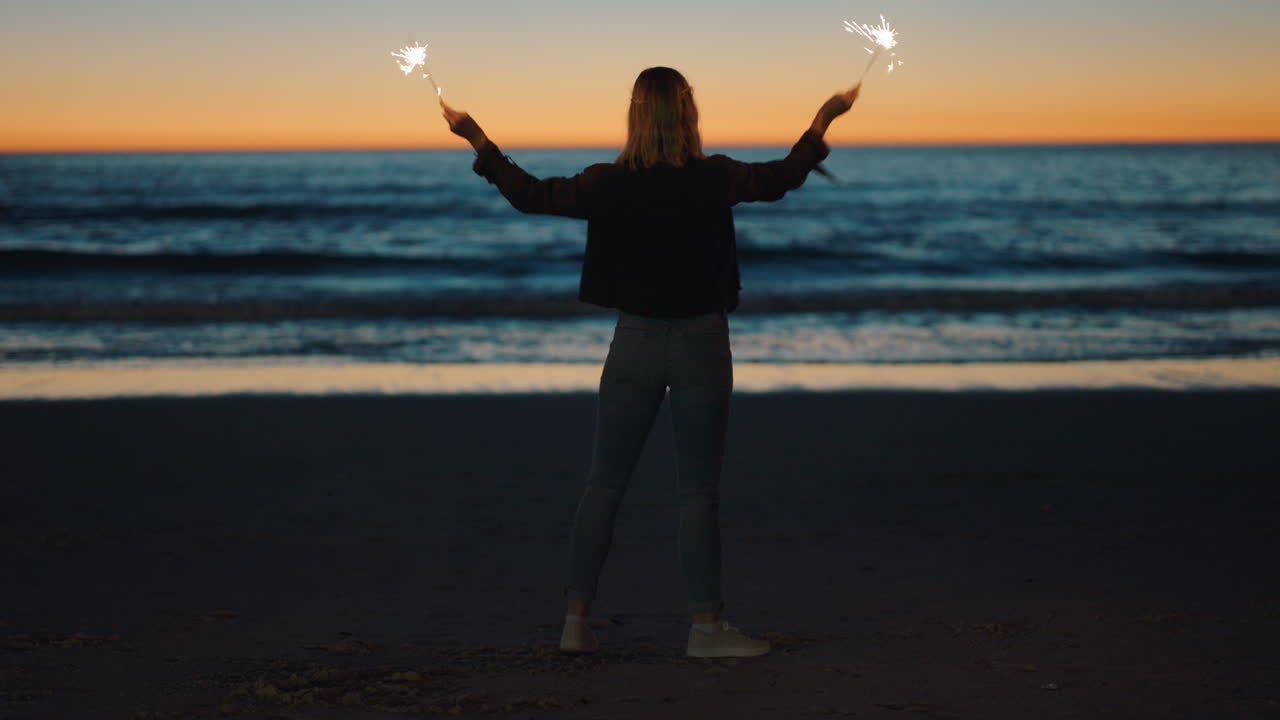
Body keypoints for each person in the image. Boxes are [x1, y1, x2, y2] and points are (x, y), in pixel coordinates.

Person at [442, 66, 859, 658]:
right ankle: (706, 630)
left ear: (634, 115)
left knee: (604, 485)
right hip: (701, 343)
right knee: (697, 494)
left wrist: (479, 141)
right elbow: (783, 178)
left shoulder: (606, 183)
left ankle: (574, 624)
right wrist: (822, 121)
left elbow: (529, 195)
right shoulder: (715, 178)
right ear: (688, 113)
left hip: (632, 343)